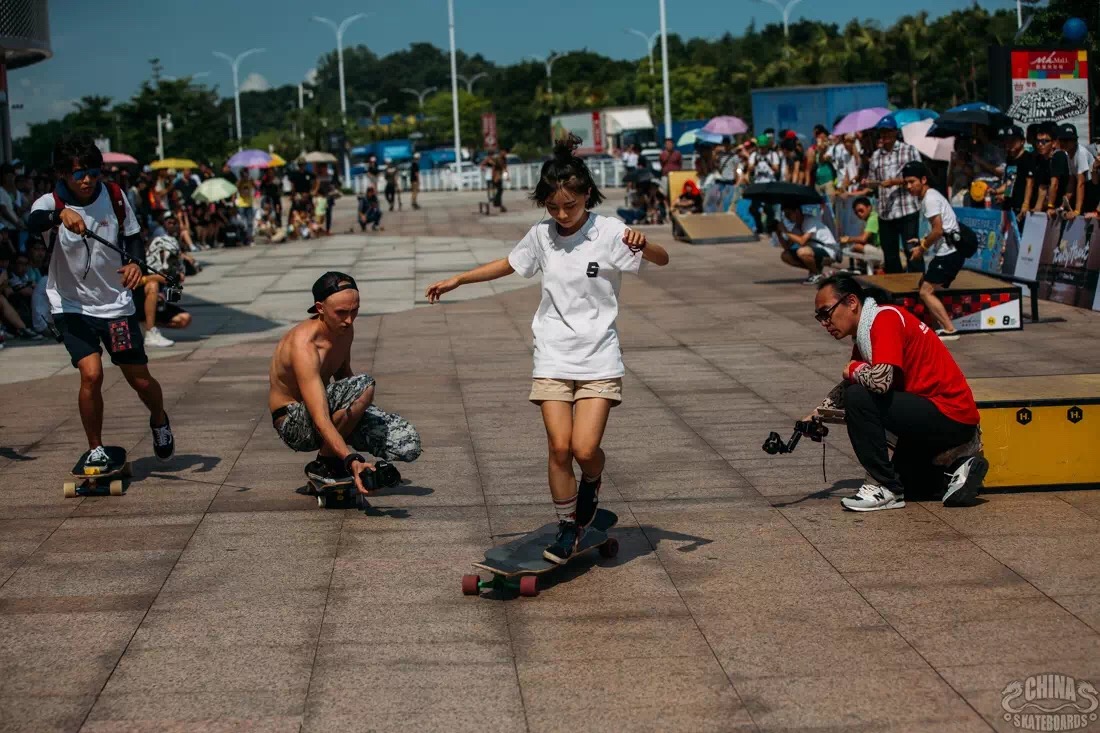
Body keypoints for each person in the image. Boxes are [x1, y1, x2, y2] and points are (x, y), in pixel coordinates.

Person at [425, 134, 670, 564]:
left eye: (569, 207)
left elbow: (663, 259)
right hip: (553, 354)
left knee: (584, 450)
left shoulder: (611, 231)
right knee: (559, 448)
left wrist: (644, 243)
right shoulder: (542, 234)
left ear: (587, 196)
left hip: (598, 356)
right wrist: (459, 279)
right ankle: (566, 527)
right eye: (553, 207)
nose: (561, 215)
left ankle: (591, 482)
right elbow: (509, 263)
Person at [26, 134, 175, 469]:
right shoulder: (50, 202)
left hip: (115, 306)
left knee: (138, 379)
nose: (87, 179)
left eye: (93, 171)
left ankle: (159, 418)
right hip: (70, 305)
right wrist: (58, 217)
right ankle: (96, 448)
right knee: (90, 374)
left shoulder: (115, 195)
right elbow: (32, 222)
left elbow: (134, 236)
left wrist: (136, 263)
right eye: (79, 173)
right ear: (63, 174)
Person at [807, 273, 986, 511]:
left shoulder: (885, 320)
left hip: (950, 415)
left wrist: (852, 369)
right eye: (819, 317)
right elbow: (853, 380)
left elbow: (879, 381)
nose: (824, 322)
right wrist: (815, 416)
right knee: (911, 486)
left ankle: (883, 486)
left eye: (826, 313)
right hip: (932, 417)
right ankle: (958, 470)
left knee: (858, 398)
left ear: (851, 302)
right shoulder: (866, 333)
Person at [268, 272, 422, 496]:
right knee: (364, 384)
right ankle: (324, 464)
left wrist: (369, 415)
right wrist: (351, 460)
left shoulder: (344, 329)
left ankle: (330, 457)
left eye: (354, 310)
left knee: (407, 442)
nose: (349, 320)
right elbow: (320, 416)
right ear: (320, 308)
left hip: (325, 411)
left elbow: (344, 378)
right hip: (294, 422)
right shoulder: (304, 346)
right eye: (341, 312)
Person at [902, 161, 969, 341]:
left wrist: (921, 248)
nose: (908, 186)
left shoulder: (930, 199)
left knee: (925, 291)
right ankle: (937, 326)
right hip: (947, 251)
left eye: (911, 182)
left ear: (923, 180)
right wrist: (921, 240)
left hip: (950, 253)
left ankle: (950, 330)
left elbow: (938, 230)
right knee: (925, 286)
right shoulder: (930, 197)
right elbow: (939, 229)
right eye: (906, 183)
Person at [866, 116, 921, 273]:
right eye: (882, 133)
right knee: (890, 256)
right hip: (885, 213)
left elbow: (918, 178)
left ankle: (920, 287)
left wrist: (895, 182)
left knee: (912, 250)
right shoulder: (876, 156)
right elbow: (873, 181)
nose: (885, 136)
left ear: (895, 132)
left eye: (888, 132)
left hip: (907, 209)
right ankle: (896, 292)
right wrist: (869, 183)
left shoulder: (909, 150)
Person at [135, 213, 192, 347]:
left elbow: (173, 281)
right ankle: (150, 332)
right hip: (136, 299)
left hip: (156, 301)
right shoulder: (140, 251)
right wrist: (152, 279)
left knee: (184, 319)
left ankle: (145, 323)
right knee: (153, 285)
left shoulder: (167, 244)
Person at [775, 203, 841, 285]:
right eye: (786, 215)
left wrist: (785, 231)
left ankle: (816, 274)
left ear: (797, 211)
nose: (788, 217)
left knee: (802, 252)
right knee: (786, 255)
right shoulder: (797, 227)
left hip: (829, 251)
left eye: (789, 214)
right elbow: (787, 247)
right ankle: (816, 271)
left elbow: (802, 241)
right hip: (813, 252)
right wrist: (779, 234)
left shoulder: (810, 221)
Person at [995, 124, 1038, 226]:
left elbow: (1030, 182)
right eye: (1007, 141)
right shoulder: (1010, 159)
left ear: (1022, 141)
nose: (1009, 144)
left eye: (1013, 141)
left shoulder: (1028, 158)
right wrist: (997, 191)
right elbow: (1010, 181)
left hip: (1021, 207)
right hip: (1009, 206)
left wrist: (1026, 204)